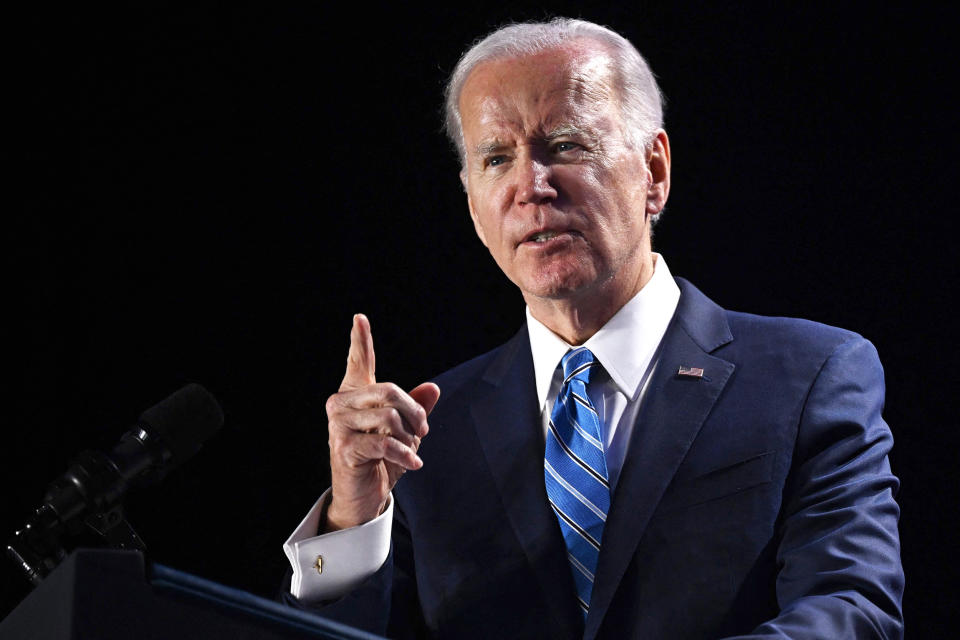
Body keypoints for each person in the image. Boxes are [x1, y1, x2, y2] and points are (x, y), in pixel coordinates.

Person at [281, 18, 904, 639]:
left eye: (566, 146)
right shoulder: (426, 437)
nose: (531, 186)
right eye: (497, 159)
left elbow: (852, 611)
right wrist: (353, 519)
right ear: (473, 206)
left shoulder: (809, 376)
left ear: (653, 171)